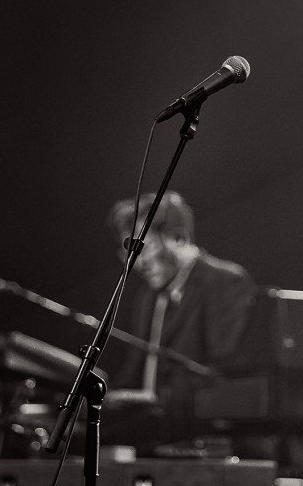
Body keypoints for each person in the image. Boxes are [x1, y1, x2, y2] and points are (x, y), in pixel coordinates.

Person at [104, 190, 260, 452]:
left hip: (199, 441)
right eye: (127, 252)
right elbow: (134, 372)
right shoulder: (147, 299)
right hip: (149, 436)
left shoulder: (225, 282)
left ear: (178, 238)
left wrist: (155, 400)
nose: (136, 264)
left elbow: (222, 372)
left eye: (144, 248)